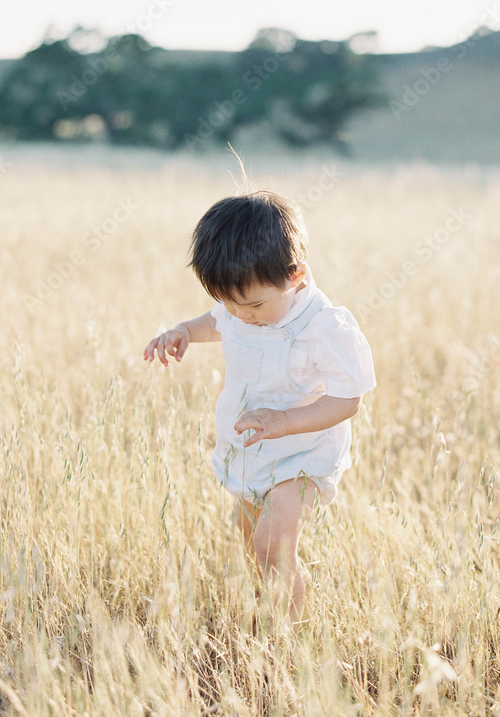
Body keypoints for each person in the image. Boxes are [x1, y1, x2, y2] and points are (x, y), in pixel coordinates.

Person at [143, 190, 376, 617]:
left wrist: (285, 420)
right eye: (230, 303)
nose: (241, 315)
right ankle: (273, 606)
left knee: (273, 544)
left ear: (296, 275)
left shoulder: (322, 326)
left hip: (304, 452)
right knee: (251, 540)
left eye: (253, 305)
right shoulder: (238, 309)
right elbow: (216, 323)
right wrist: (183, 332)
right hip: (253, 448)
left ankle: (291, 638)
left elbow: (348, 399)